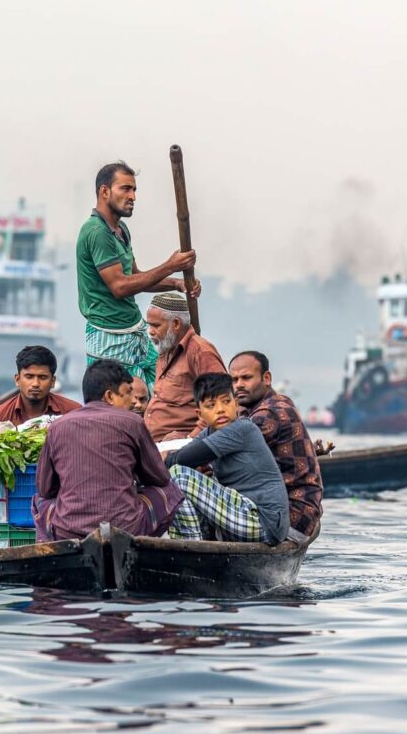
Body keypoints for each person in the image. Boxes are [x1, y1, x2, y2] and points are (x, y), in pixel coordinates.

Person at [76, 161, 201, 386]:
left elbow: (136, 278)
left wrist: (176, 283)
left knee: (164, 391)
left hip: (135, 329)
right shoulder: (96, 232)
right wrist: (171, 265)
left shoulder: (121, 230)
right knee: (124, 406)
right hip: (109, 338)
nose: (133, 196)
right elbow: (120, 287)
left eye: (134, 190)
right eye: (125, 189)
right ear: (104, 192)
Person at [32, 359, 183, 541]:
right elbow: (159, 478)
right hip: (127, 528)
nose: (133, 403)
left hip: (69, 530)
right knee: (170, 489)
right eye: (128, 393)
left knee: (38, 501)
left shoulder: (57, 426)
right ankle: (146, 548)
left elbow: (45, 489)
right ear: (110, 396)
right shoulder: (132, 422)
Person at [164, 373, 289, 546]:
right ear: (200, 414)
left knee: (178, 475)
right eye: (211, 405)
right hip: (240, 515)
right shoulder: (208, 433)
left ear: (236, 404)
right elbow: (183, 455)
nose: (220, 409)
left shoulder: (242, 428)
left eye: (226, 401)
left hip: (264, 522)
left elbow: (182, 459)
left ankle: (191, 547)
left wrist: (164, 461)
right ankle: (193, 542)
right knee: (174, 479)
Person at [229, 351, 323, 541]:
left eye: (246, 378)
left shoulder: (269, 413)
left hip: (291, 520)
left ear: (267, 378)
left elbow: (222, 455)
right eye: (234, 379)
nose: (239, 384)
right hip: (291, 512)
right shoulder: (255, 408)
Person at [144, 292, 226, 441]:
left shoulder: (201, 352)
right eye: (149, 325)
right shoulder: (165, 348)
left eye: (155, 325)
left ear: (176, 324)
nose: (150, 331)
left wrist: (189, 439)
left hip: (180, 447)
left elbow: (221, 405)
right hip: (156, 444)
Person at [0, 345, 81, 426]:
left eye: (42, 377)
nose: (35, 384)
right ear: (17, 380)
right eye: (29, 377)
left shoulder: (73, 412)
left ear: (52, 381)